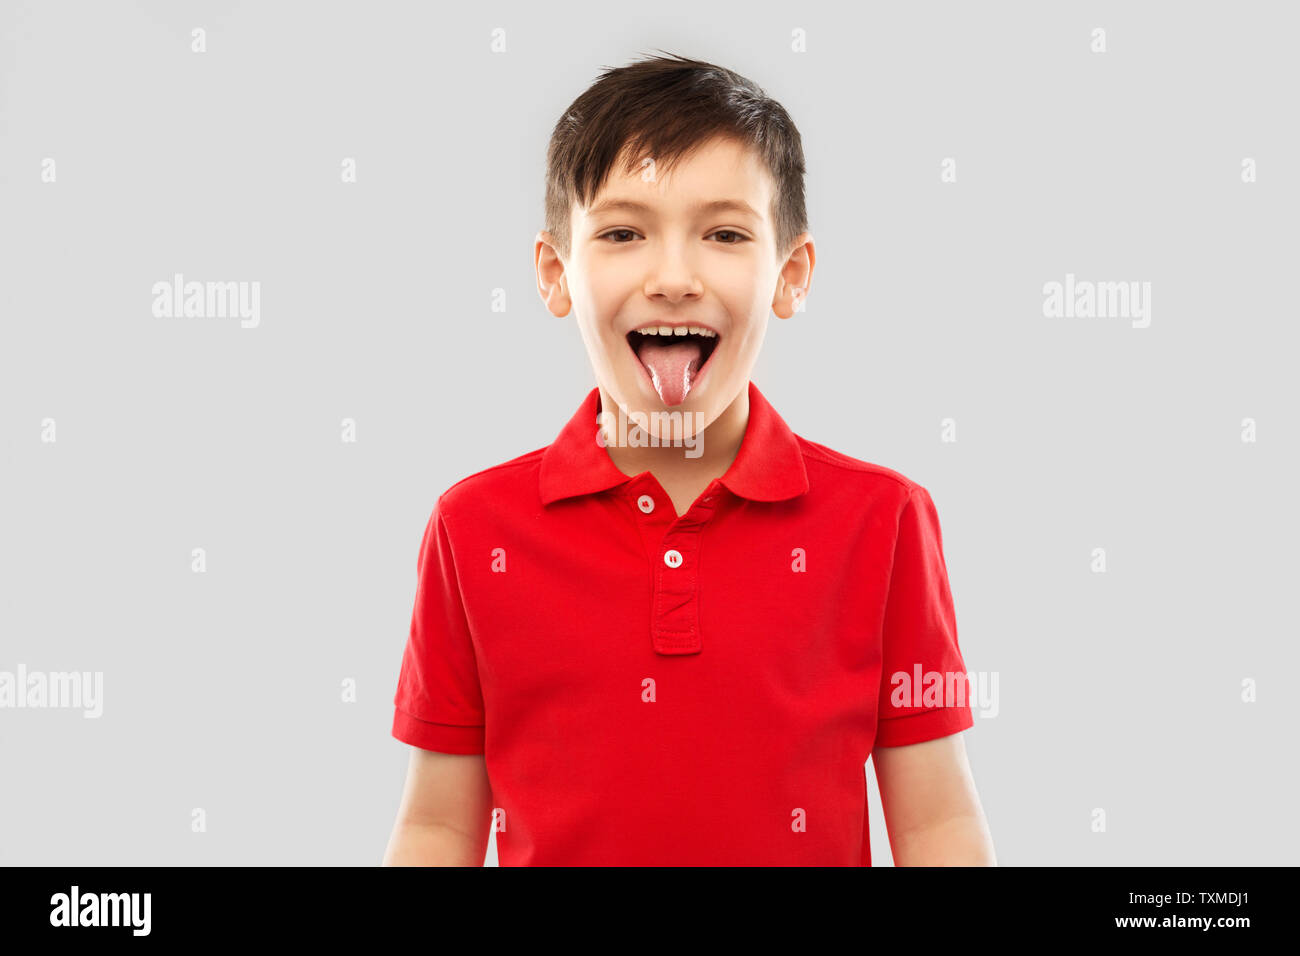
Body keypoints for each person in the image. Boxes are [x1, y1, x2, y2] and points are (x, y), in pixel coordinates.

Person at [383, 52, 995, 866]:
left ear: (792, 273)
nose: (674, 276)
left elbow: (936, 825)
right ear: (556, 271)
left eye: (725, 234)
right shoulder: (472, 529)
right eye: (624, 233)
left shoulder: (885, 523)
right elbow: (438, 827)